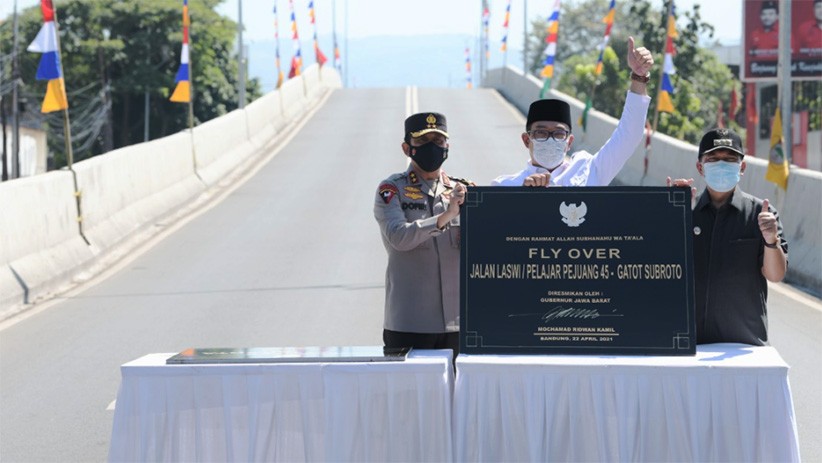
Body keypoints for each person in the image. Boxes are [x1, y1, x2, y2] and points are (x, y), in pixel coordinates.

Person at [668, 128, 788, 345]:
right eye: (713, 159)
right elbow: (661, 267)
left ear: (742, 167)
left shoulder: (761, 215)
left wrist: (771, 240)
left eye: (730, 159)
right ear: (700, 167)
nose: (721, 165)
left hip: (745, 346)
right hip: (691, 344)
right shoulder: (685, 211)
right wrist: (670, 213)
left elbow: (775, 274)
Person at [491, 36, 653, 187]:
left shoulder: (589, 170)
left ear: (569, 142)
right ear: (527, 140)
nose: (550, 140)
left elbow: (629, 135)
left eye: (559, 134)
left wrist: (638, 77)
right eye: (541, 133)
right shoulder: (507, 187)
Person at [373, 112, 472, 356]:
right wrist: (445, 216)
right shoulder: (392, 189)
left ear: (447, 147)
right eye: (423, 142)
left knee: (460, 394)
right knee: (409, 394)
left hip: (459, 324)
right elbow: (399, 237)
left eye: (438, 142)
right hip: (410, 323)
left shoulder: (464, 190)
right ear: (407, 148)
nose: (432, 148)